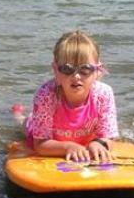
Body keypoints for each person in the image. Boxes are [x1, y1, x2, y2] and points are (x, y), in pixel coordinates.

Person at [18, 30, 119, 162]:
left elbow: (109, 136)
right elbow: (40, 144)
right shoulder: (46, 95)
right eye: (67, 69)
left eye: (85, 69)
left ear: (97, 72)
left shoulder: (103, 94)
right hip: (44, 133)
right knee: (24, 125)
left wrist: (99, 143)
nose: (76, 76)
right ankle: (19, 115)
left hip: (81, 138)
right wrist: (68, 147)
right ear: (56, 70)